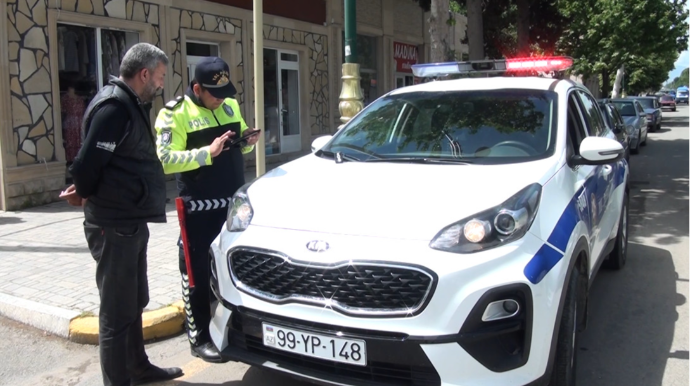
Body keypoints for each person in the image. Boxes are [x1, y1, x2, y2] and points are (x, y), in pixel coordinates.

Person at [58, 43, 183, 386]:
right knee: (115, 314)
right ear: (144, 74)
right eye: (159, 77)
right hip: (113, 225)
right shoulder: (115, 108)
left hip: (130, 221)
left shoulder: (130, 102)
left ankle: (138, 368)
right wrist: (83, 190)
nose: (160, 84)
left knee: (133, 303)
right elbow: (85, 166)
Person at [154, 56, 260, 362]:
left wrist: (248, 141)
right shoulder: (174, 114)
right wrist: (206, 153)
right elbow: (165, 159)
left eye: (226, 92)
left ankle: (234, 328)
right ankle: (198, 337)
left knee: (235, 268)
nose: (222, 100)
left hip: (232, 205)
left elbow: (241, 145)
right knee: (196, 273)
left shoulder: (228, 105)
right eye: (216, 94)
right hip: (197, 208)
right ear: (197, 88)